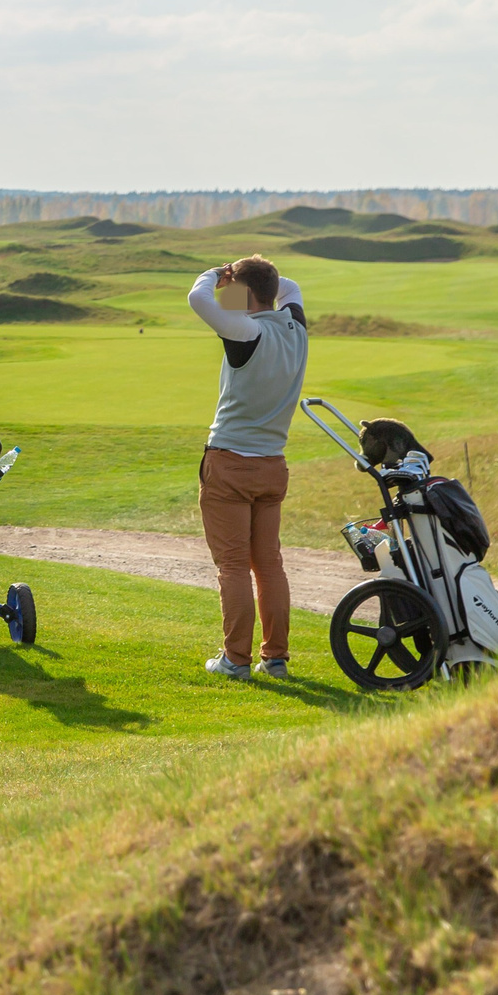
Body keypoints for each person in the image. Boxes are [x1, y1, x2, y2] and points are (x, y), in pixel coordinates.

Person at [187, 255, 309, 680]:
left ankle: (235, 660)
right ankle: (274, 659)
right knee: (268, 563)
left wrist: (217, 277)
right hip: (273, 466)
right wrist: (245, 277)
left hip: (230, 465)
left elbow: (197, 299)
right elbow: (286, 288)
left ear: (244, 293)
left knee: (234, 565)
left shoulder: (247, 330)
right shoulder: (296, 327)